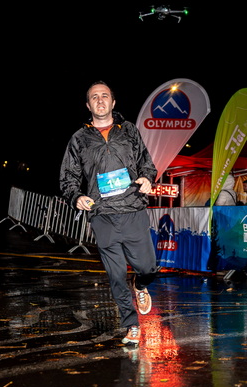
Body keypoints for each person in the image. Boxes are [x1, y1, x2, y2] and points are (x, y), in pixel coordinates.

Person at [59, 81, 158, 346]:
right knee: (115, 276)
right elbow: (68, 177)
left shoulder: (129, 131)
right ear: (88, 105)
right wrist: (76, 197)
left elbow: (146, 163)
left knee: (148, 268)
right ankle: (131, 324)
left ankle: (141, 285)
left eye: (105, 96)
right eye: (95, 97)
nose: (100, 100)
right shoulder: (79, 139)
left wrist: (147, 178)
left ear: (113, 102)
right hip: (102, 216)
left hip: (132, 209)